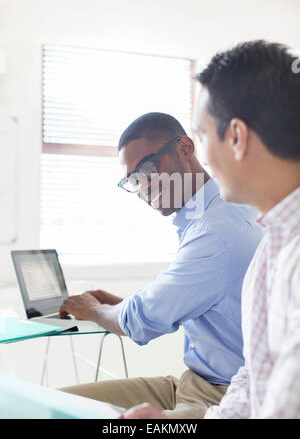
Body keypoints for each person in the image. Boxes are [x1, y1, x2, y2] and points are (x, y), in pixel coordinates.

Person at [122, 40, 300, 419]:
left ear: (235, 137)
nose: (201, 156)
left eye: (202, 137)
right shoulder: (273, 244)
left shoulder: (262, 246)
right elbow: (254, 379)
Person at [59, 112, 262, 419]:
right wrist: (119, 304)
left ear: (185, 149)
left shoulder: (215, 231)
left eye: (148, 168)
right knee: (52, 405)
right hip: (191, 383)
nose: (143, 186)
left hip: (224, 394)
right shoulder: (207, 213)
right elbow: (184, 300)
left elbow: (142, 321)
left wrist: (96, 311)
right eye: (133, 180)